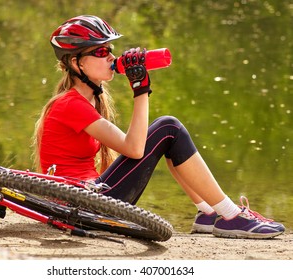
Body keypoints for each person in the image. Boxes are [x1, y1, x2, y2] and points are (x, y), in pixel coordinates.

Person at [32, 15, 285, 239]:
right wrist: (141, 90)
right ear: (77, 64)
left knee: (168, 135)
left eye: (110, 49)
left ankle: (208, 213)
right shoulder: (69, 105)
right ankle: (230, 216)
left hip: (85, 200)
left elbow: (132, 149)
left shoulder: (85, 101)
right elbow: (134, 148)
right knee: (168, 128)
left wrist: (141, 88)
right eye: (100, 52)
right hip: (80, 205)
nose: (111, 57)